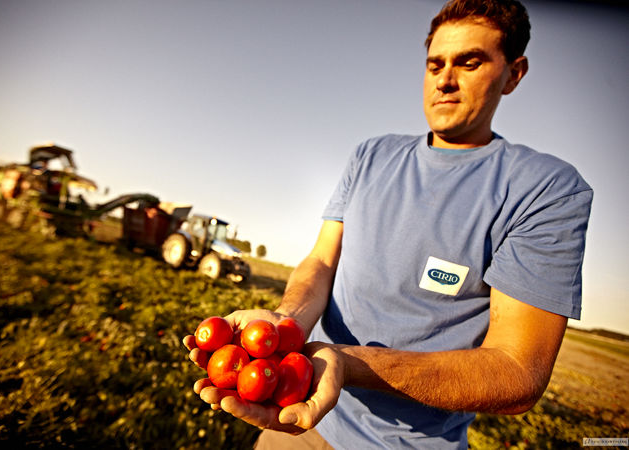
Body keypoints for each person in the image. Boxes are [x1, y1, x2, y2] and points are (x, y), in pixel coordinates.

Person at [183, 0, 593, 448]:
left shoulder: (545, 189)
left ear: (514, 73)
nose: (445, 79)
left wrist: (345, 364)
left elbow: (517, 371)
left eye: (469, 62)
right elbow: (321, 260)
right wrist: (285, 327)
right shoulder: (371, 156)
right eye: (434, 64)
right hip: (296, 415)